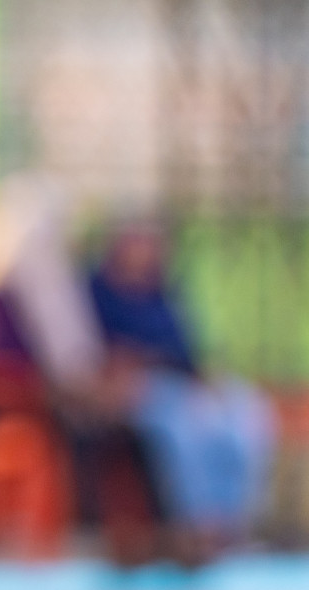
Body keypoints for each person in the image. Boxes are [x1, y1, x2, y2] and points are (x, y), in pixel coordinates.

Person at [87, 222, 276, 564]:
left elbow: (188, 355)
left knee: (247, 409)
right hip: (137, 390)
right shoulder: (98, 293)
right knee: (184, 423)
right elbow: (95, 361)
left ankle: (234, 524)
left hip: (181, 383)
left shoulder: (164, 295)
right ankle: (199, 527)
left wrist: (208, 384)